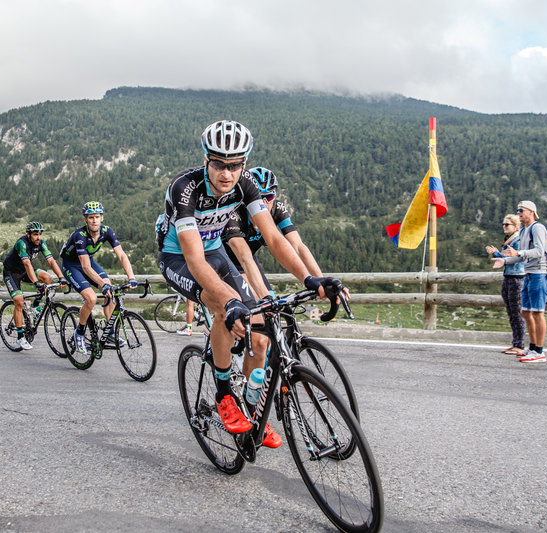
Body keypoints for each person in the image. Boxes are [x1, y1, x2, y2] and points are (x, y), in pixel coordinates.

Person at [156, 120, 343, 448]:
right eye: (218, 164)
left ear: (244, 163)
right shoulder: (185, 188)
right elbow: (195, 259)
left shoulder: (246, 185)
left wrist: (310, 278)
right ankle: (224, 395)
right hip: (180, 258)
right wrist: (229, 302)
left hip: (214, 251)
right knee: (223, 304)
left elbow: (274, 237)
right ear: (206, 160)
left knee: (259, 328)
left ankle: (253, 412)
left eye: (235, 165)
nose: (226, 173)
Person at [221, 167, 344, 392]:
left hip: (250, 262)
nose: (263, 203)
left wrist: (320, 281)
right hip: (228, 262)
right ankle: (245, 397)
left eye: (268, 197)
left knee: (271, 321)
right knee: (259, 334)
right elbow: (243, 257)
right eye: (258, 197)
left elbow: (298, 246)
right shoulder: (235, 211)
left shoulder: (276, 208)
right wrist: (263, 299)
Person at [60, 202, 138, 355]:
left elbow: (121, 255)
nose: (94, 220)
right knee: (91, 298)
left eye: (97, 217)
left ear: (102, 218)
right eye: (91, 217)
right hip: (72, 265)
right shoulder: (79, 236)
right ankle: (79, 333)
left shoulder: (107, 231)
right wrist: (102, 284)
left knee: (110, 291)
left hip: (89, 262)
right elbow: (85, 267)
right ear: (85, 219)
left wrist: (131, 277)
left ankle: (109, 332)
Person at [492, 200, 547, 363]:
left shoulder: (537, 228)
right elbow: (521, 256)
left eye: (521, 210)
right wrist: (505, 260)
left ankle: (539, 351)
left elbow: (539, 251)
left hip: (539, 273)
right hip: (527, 274)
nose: (518, 213)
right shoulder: (524, 231)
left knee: (538, 312)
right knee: (525, 312)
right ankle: (531, 347)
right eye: (518, 210)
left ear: (531, 212)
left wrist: (518, 253)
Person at [2, 221, 67, 350]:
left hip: (24, 271)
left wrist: (61, 277)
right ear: (28, 234)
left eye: (40, 234)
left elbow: (51, 261)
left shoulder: (41, 244)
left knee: (47, 278)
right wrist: (36, 283)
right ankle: (20, 337)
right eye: (35, 234)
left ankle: (35, 306)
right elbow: (27, 264)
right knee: (19, 302)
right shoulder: (22, 244)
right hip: (11, 273)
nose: (38, 237)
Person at [486, 214, 525, 355]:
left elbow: (516, 258)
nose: (504, 226)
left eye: (507, 224)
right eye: (503, 224)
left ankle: (519, 344)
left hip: (516, 277)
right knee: (512, 312)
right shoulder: (510, 240)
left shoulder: (518, 241)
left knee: (516, 312)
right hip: (509, 276)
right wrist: (496, 253)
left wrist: (497, 254)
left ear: (515, 226)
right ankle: (516, 343)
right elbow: (505, 259)